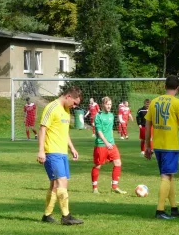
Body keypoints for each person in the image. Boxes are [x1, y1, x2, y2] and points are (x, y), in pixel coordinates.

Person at [144, 75, 179, 220]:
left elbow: (148, 126)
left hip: (158, 146)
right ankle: (160, 210)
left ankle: (174, 208)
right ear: (178, 88)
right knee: (166, 177)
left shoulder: (154, 102)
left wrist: (147, 146)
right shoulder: (177, 103)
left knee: (170, 175)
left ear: (164, 86)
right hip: (170, 145)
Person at [37, 86, 83, 226]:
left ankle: (47, 215)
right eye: (74, 103)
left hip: (62, 152)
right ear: (68, 96)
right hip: (52, 151)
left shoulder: (66, 110)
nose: (74, 106)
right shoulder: (52, 107)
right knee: (61, 182)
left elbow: (64, 132)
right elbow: (42, 129)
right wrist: (41, 151)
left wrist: (72, 148)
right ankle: (66, 216)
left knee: (55, 185)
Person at [92, 97, 126, 194]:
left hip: (111, 145)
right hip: (101, 145)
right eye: (107, 104)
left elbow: (110, 129)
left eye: (110, 104)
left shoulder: (111, 115)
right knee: (98, 166)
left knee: (118, 163)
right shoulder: (98, 116)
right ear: (103, 104)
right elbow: (99, 131)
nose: (109, 106)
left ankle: (114, 187)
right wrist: (106, 142)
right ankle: (95, 188)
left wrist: (111, 141)